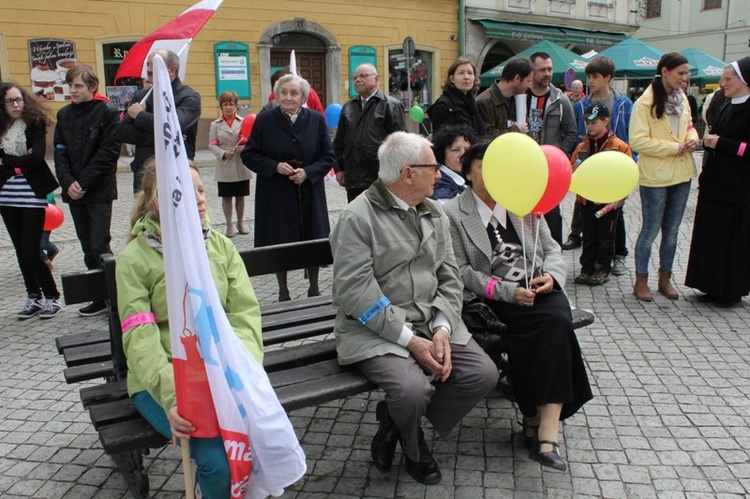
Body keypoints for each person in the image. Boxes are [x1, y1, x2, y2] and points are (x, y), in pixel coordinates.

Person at [331, 131, 499, 485]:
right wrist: (410, 340)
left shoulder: (434, 211)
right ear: (407, 174)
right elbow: (356, 293)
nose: (440, 174)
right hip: (373, 329)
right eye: (433, 167)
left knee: (481, 374)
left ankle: (397, 420)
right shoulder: (357, 217)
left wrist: (441, 327)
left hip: (429, 318)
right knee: (411, 391)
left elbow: (450, 276)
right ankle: (414, 446)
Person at [117, 160, 263, 499]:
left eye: (201, 189)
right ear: (158, 203)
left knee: (262, 440)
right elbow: (139, 338)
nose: (200, 199)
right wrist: (171, 396)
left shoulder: (220, 246)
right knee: (219, 462)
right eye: (186, 191)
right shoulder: (134, 260)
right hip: (166, 379)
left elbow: (244, 314)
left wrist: (244, 369)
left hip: (224, 374)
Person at [443, 140, 592, 472]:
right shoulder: (452, 212)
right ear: (467, 171)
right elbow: (461, 271)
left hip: (538, 289)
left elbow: (552, 248)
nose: (495, 171)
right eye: (484, 165)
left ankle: (546, 435)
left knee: (556, 322)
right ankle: (531, 417)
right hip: (494, 299)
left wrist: (552, 276)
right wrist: (508, 292)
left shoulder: (520, 200)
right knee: (537, 330)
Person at [241, 74, 334, 301]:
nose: (288, 97)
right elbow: (249, 154)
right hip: (275, 193)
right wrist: (274, 166)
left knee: (312, 240)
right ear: (276, 95)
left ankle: (314, 287)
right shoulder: (265, 120)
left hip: (308, 190)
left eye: (294, 93)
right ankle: (283, 290)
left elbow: (328, 156)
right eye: (283, 92)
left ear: (303, 96)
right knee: (278, 241)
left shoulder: (316, 119)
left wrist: (308, 173)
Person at [629, 53, 699, 302]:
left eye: (687, 73)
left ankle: (665, 278)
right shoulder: (644, 103)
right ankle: (641, 280)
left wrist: (692, 138)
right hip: (656, 176)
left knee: (672, 232)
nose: (685, 78)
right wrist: (673, 147)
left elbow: (690, 125)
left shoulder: (683, 100)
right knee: (650, 230)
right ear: (665, 71)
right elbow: (637, 141)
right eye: (681, 73)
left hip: (681, 172)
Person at [54, 64, 121, 317]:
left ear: (92, 87)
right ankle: (98, 296)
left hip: (98, 191)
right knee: (85, 245)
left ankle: (112, 294)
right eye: (70, 85)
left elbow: (108, 153)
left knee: (99, 244)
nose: (72, 90)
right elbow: (60, 152)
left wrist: (82, 182)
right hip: (74, 191)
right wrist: (68, 182)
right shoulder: (64, 115)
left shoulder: (107, 113)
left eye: (78, 86)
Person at [685, 57, 750, 307]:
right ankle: (710, 285)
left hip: (737, 187)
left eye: (727, 79)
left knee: (731, 240)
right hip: (715, 183)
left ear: (743, 81)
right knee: (712, 235)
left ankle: (729, 290)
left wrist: (722, 143)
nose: (722, 83)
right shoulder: (726, 104)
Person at [564, 56, 635, 278]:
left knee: (610, 229)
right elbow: (575, 156)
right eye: (588, 77)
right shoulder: (582, 107)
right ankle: (587, 267)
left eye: (595, 77)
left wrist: (623, 186)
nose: (590, 81)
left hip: (612, 183)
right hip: (587, 193)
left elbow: (629, 146)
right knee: (590, 232)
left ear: (608, 78)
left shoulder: (623, 104)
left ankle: (611, 261)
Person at [0, 83, 62, 319]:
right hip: (6, 195)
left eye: (19, 100)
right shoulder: (1, 127)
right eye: (10, 101)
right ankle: (33, 297)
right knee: (19, 250)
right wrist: (18, 163)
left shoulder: (34, 123)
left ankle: (52, 297)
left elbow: (36, 158)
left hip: (31, 195)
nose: (16, 105)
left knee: (31, 250)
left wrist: (7, 162)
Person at [119, 49, 201, 192]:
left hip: (175, 171)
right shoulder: (140, 96)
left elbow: (172, 125)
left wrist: (140, 116)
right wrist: (165, 137)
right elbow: (123, 132)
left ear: (171, 70)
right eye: (148, 65)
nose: (149, 70)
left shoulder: (189, 97)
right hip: (144, 172)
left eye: (154, 65)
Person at [570, 105, 633, 286]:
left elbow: (628, 174)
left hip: (608, 200)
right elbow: (571, 168)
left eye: (594, 123)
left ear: (605, 121)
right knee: (588, 234)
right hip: (586, 199)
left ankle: (603, 267)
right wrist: (574, 170)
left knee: (606, 235)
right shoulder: (582, 146)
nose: (589, 127)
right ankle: (586, 268)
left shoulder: (619, 147)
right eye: (587, 123)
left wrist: (620, 198)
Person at [333, 63, 406, 202]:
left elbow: (400, 143)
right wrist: (339, 168)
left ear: (376, 79)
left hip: (380, 177)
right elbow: (339, 141)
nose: (358, 80)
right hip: (353, 178)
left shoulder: (390, 106)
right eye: (355, 77)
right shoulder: (348, 107)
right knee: (357, 219)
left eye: (363, 76)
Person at [525, 52, 578, 245]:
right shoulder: (521, 96)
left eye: (549, 69)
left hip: (549, 169)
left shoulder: (560, 100)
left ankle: (555, 260)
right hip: (524, 165)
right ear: (532, 72)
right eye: (542, 70)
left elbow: (572, 132)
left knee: (552, 215)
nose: (547, 73)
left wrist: (559, 156)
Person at [208, 90, 252, 238]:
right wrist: (222, 153)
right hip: (225, 165)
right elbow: (212, 145)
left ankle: (240, 223)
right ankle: (229, 225)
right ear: (221, 106)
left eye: (231, 104)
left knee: (241, 196)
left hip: (240, 164)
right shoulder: (216, 125)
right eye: (225, 104)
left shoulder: (243, 121)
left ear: (236, 106)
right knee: (226, 197)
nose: (229, 108)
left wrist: (244, 148)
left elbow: (252, 140)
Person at [426, 57, 485, 137]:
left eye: (470, 73)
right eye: (461, 73)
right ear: (452, 79)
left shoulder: (472, 104)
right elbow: (443, 142)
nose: (466, 77)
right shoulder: (443, 106)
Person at [476, 58, 534, 137]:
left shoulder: (518, 99)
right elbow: (487, 136)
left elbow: (526, 129)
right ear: (517, 78)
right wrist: (515, 130)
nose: (530, 86)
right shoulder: (484, 102)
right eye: (528, 81)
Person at [430, 124, 474, 203]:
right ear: (442, 153)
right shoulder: (441, 189)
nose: (463, 154)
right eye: (455, 150)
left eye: (467, 149)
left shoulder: (468, 178)